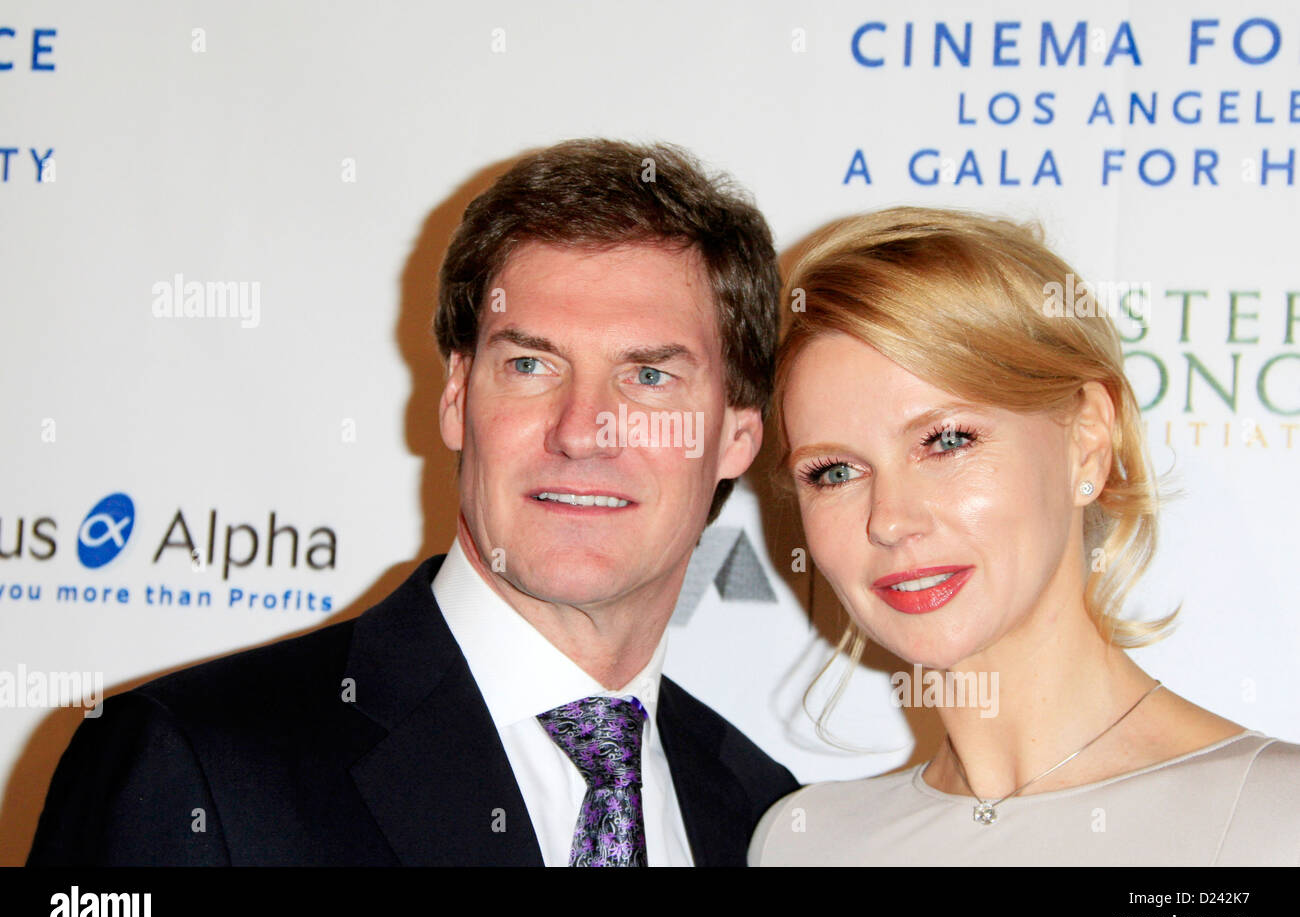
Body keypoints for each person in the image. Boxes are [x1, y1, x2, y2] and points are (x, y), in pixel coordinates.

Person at [28, 139, 798, 867]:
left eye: (650, 377)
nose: (581, 432)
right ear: (457, 398)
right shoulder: (195, 764)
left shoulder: (768, 823)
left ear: (736, 435)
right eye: (530, 364)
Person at [749, 207, 1300, 866]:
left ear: (1088, 442)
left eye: (946, 440)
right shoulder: (802, 841)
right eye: (833, 471)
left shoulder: (1272, 819)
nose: (890, 519)